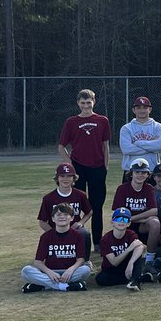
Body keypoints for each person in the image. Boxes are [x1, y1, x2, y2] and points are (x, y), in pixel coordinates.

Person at [57, 88, 111, 242]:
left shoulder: (102, 120)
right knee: (76, 207)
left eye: (89, 102)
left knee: (96, 207)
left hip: (97, 168)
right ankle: (75, 239)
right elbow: (61, 146)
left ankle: (98, 242)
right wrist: (70, 165)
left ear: (94, 102)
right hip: (79, 168)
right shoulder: (71, 122)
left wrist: (105, 166)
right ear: (78, 103)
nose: (86, 106)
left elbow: (105, 145)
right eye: (83, 103)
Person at [22, 203, 92, 293]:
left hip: (70, 273)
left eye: (66, 214)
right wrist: (49, 272)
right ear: (53, 219)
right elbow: (38, 262)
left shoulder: (78, 236)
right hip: (50, 273)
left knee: (86, 270)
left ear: (72, 218)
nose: (62, 217)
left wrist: (70, 270)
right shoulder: (46, 236)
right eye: (58, 215)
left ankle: (43, 286)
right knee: (26, 270)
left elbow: (81, 260)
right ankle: (64, 286)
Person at [37, 162, 93, 257]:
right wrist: (53, 233)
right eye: (62, 176)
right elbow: (42, 221)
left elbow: (89, 212)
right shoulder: (49, 198)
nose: (65, 179)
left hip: (74, 230)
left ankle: (85, 261)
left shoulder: (80, 195)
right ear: (57, 178)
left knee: (85, 234)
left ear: (74, 178)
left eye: (69, 176)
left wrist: (81, 222)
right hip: (56, 229)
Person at [111, 158, 160, 261]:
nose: (140, 175)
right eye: (137, 172)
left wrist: (133, 218)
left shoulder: (149, 188)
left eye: (143, 172)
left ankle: (150, 259)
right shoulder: (122, 189)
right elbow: (118, 214)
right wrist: (138, 219)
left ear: (148, 175)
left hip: (142, 226)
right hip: (124, 225)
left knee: (155, 222)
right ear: (131, 173)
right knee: (120, 221)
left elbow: (154, 211)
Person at [95, 208, 146, 290]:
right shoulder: (105, 239)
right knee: (100, 279)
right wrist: (129, 249)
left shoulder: (131, 234)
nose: (121, 222)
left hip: (127, 266)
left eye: (125, 220)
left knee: (137, 254)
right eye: (118, 219)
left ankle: (135, 282)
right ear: (112, 222)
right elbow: (114, 262)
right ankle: (138, 277)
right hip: (112, 270)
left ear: (129, 223)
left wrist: (131, 263)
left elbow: (140, 246)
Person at [119, 95, 161, 177]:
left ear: (150, 109)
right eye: (138, 108)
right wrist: (151, 145)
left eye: (145, 107)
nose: (142, 110)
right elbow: (126, 149)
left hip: (151, 170)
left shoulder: (158, 127)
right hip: (130, 171)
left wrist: (137, 143)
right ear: (134, 110)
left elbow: (158, 146)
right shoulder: (126, 128)